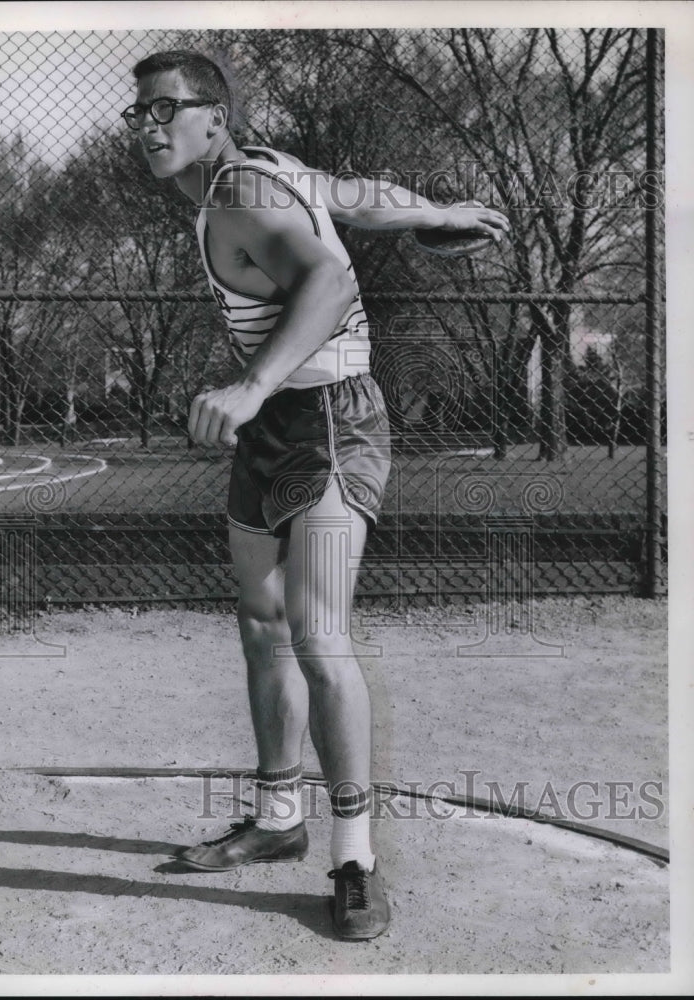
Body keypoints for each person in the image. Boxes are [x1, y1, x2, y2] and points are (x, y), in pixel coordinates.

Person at [122, 49, 509, 940]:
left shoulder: (239, 196)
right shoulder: (268, 172)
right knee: (261, 624)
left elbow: (331, 283)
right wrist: (435, 212)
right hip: (274, 433)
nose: (149, 125)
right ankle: (277, 820)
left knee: (318, 631)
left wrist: (252, 385)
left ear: (213, 117)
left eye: (165, 109)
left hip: (333, 422)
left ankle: (356, 860)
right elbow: (353, 192)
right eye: (137, 113)